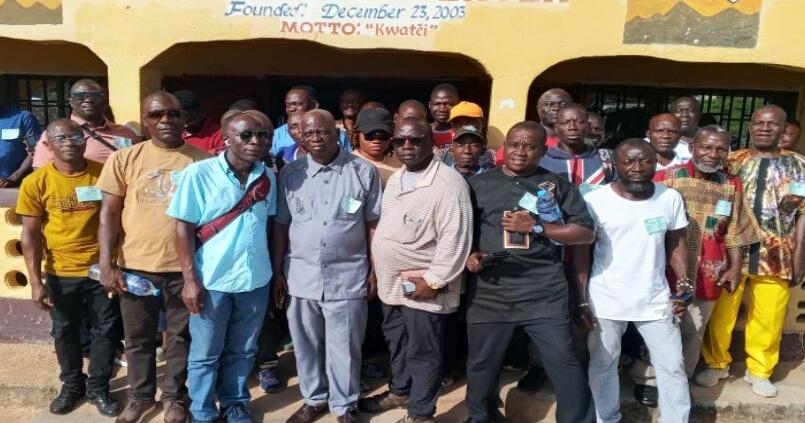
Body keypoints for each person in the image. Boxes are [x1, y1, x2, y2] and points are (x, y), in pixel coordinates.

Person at [463, 121, 596, 423]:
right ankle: (480, 418)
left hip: (543, 290)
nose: (520, 152)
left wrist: (537, 227)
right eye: (514, 144)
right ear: (504, 147)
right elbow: (460, 230)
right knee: (482, 364)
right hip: (490, 291)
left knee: (563, 362)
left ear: (542, 150)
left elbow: (585, 233)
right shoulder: (478, 184)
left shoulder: (556, 185)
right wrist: (469, 256)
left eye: (529, 146)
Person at [96, 92, 209, 423]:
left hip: (185, 269)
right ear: (145, 121)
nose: (166, 120)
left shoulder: (203, 162)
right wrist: (107, 263)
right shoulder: (124, 159)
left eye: (173, 113)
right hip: (136, 267)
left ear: (183, 117)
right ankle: (140, 397)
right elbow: (108, 215)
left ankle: (174, 397)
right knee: (138, 339)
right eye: (157, 114)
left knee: (179, 338)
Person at [630, 126, 760, 395]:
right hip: (666, 268)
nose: (713, 154)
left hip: (710, 269)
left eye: (721, 149)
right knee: (660, 325)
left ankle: (681, 380)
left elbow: (736, 228)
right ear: (692, 148)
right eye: (706, 147)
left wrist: (735, 268)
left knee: (694, 329)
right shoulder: (666, 178)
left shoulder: (731, 183)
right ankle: (650, 379)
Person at [168, 109, 277, 423]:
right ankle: (202, 411)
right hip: (212, 280)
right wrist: (190, 281)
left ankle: (234, 404)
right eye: (246, 135)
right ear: (227, 138)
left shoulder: (268, 177)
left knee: (244, 350)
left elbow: (269, 226)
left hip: (255, 280)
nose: (255, 141)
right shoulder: (199, 174)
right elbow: (182, 228)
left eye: (263, 135)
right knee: (205, 354)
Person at [272, 109, 382, 423]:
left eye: (322, 131)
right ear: (301, 138)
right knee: (305, 345)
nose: (316, 138)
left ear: (337, 134)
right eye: (309, 133)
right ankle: (314, 398)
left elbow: (373, 224)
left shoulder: (362, 171)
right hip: (301, 276)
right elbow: (282, 225)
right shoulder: (291, 174)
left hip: (348, 276)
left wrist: (374, 269)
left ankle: (344, 405)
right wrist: (278, 272)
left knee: (345, 346)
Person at [361, 117, 472, 423]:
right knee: (398, 340)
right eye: (400, 141)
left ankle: (420, 412)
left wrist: (434, 281)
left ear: (432, 143)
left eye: (416, 140)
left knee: (424, 349)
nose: (407, 146)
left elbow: (456, 239)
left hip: (422, 281)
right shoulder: (398, 177)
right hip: (393, 283)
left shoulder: (448, 184)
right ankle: (401, 390)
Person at [578, 139, 692, 423]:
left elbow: (677, 244)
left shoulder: (670, 198)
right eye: (629, 161)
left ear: (656, 163)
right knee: (604, 363)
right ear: (615, 165)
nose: (637, 167)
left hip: (655, 298)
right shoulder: (595, 200)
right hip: (605, 299)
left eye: (645, 160)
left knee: (672, 365)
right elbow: (581, 254)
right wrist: (580, 299)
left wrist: (684, 284)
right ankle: (606, 418)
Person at [699, 105, 805, 398]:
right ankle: (716, 363)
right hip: (730, 253)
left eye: (772, 124)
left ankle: (760, 371)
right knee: (722, 313)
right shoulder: (730, 161)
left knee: (769, 316)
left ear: (784, 129)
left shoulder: (799, 165)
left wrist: (799, 257)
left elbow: (803, 214)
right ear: (750, 127)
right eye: (759, 123)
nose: (765, 128)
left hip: (778, 255)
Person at [17, 119, 121, 417]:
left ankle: (99, 387)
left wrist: (116, 265)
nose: (69, 142)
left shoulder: (103, 174)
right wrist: (36, 281)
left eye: (75, 136)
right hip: (61, 272)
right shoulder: (36, 182)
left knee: (105, 330)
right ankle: (72, 385)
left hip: (102, 269)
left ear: (85, 140)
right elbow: (30, 236)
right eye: (61, 138)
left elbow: (119, 222)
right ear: (48, 145)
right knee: (65, 331)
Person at [33, 79, 137, 168]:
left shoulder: (126, 133)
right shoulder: (55, 135)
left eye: (94, 96)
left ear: (104, 101)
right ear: (71, 102)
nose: (88, 100)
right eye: (80, 96)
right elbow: (41, 173)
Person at [540, 104, 614, 191]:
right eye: (565, 122)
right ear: (556, 128)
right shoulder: (541, 159)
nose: (572, 127)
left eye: (580, 122)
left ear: (588, 126)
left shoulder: (607, 159)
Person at [270, 86, 350, 155]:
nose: (292, 109)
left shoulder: (335, 134)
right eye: (288, 105)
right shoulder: (276, 135)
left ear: (314, 105)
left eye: (297, 104)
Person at [437, 101, 495, 173]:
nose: (466, 128)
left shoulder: (492, 156)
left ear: (483, 123)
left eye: (472, 122)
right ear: (452, 126)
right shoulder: (443, 155)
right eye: (460, 124)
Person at [353, 107, 401, 188]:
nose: (377, 140)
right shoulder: (350, 165)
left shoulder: (401, 163)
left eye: (383, 135)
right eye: (370, 135)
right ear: (357, 135)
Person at [174, 89, 224, 154]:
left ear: (200, 111)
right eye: (179, 115)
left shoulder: (219, 135)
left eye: (189, 116)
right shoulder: (172, 132)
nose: (185, 120)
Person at [428, 84, 460, 148]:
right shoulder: (421, 133)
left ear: (457, 105)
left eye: (447, 104)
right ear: (429, 106)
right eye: (437, 104)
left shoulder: (465, 132)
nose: (442, 109)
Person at [668, 96, 699, 161]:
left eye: (691, 111)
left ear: (699, 115)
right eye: (679, 111)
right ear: (670, 115)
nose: (685, 115)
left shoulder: (712, 138)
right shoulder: (655, 141)